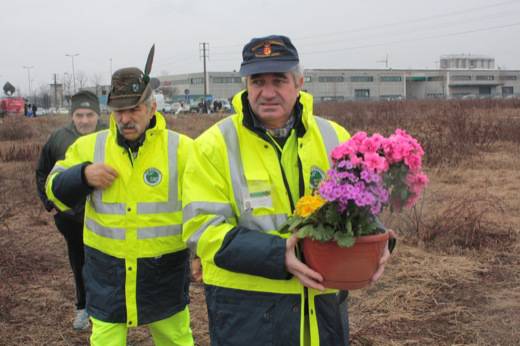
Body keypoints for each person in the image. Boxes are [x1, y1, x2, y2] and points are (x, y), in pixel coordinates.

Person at [182, 35, 394, 346]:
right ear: (245, 85)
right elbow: (203, 230)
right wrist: (277, 254)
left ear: (299, 83)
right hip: (247, 316)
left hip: (322, 312)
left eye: (278, 80)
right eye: (257, 81)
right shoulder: (212, 146)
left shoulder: (334, 136)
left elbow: (361, 208)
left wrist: (380, 243)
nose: (267, 93)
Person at [45, 48, 194, 345]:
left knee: (176, 340)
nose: (125, 118)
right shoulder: (89, 147)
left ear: (152, 108)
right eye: (119, 111)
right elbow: (53, 190)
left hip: (164, 274)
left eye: (134, 109)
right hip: (107, 274)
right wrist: (83, 176)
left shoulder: (183, 149)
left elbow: (203, 207)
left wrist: (202, 253)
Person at [36, 90, 105, 330]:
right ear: (72, 116)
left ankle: (110, 311)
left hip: (107, 219)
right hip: (71, 219)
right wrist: (49, 203)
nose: (84, 120)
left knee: (108, 264)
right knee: (80, 263)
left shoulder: (111, 136)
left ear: (98, 115)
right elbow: (43, 171)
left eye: (89, 114)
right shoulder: (58, 138)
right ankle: (83, 308)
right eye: (79, 115)